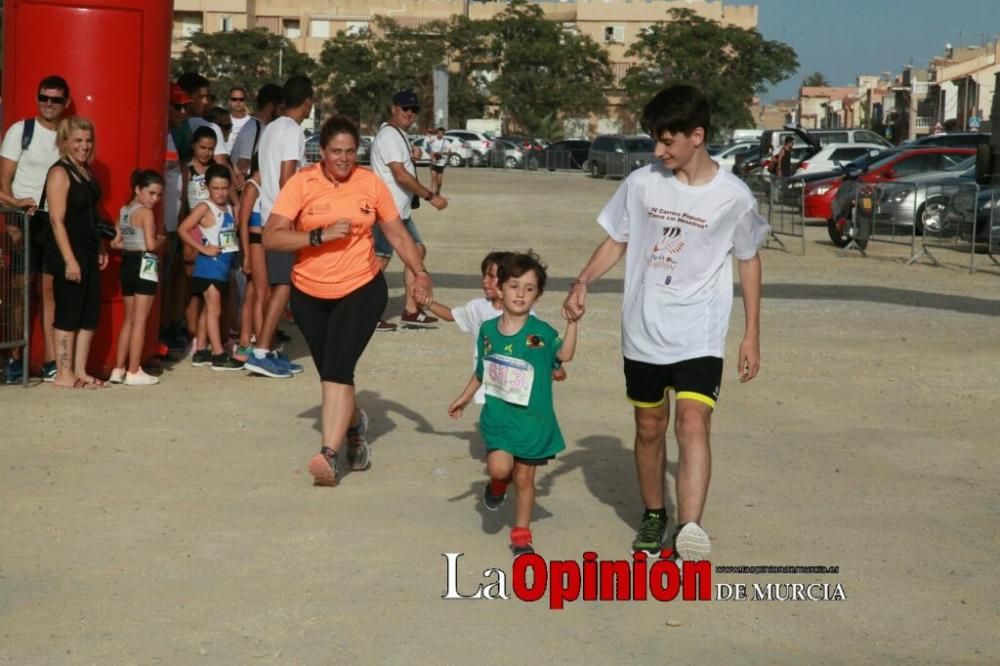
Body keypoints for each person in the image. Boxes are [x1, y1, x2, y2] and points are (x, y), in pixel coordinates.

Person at [561, 85, 768, 562]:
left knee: (693, 422)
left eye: (667, 141)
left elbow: (749, 260)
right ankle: (654, 512)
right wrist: (583, 281)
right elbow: (617, 239)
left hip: (700, 332)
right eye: (655, 140)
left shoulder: (733, 197)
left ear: (697, 136)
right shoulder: (642, 184)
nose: (658, 151)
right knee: (650, 425)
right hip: (643, 329)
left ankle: (689, 527)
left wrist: (751, 334)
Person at [263, 115, 433, 486]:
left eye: (350, 151)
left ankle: (328, 455)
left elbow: (398, 234)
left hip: (360, 289)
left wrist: (419, 272)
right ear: (321, 152)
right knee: (331, 373)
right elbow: (272, 238)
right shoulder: (301, 183)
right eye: (336, 151)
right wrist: (316, 237)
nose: (343, 158)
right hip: (309, 293)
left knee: (338, 369)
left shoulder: (369, 183)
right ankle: (355, 426)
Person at [448, 251, 578, 556]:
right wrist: (465, 396)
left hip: (533, 421)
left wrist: (573, 324)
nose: (521, 294)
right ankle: (496, 486)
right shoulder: (488, 331)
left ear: (538, 295)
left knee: (524, 477)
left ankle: (522, 533)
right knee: (499, 468)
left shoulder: (541, 334)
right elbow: (483, 370)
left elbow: (565, 355)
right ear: (499, 288)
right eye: (514, 286)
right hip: (499, 418)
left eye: (529, 288)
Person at [424, 250, 567, 405]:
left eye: (491, 276)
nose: (485, 281)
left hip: (516, 389)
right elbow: (451, 315)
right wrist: (427, 303)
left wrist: (555, 365)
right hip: (488, 385)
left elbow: (539, 343)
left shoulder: (525, 314)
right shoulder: (477, 308)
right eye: (484, 276)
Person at [0, 75, 71, 383]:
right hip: (22, 218)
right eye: (44, 98)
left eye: (55, 99)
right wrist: (13, 208)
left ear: (65, 103)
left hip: (53, 220)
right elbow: (2, 182)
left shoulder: (69, 135)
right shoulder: (21, 131)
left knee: (49, 290)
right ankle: (14, 359)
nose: (49, 104)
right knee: (18, 291)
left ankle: (50, 361)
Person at [245, 75, 313, 380]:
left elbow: (264, 173)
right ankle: (261, 352)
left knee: (271, 288)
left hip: (265, 213)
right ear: (308, 102)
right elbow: (288, 178)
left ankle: (268, 349)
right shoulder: (293, 131)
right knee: (283, 286)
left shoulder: (271, 127)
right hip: (282, 217)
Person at [369, 89, 448, 332]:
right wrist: (430, 195)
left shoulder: (398, 135)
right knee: (377, 263)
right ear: (393, 108)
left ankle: (411, 310)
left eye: (414, 110)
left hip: (400, 213)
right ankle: (365, 313)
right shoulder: (390, 135)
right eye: (405, 108)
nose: (410, 114)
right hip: (387, 212)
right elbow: (400, 175)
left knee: (418, 251)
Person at [44, 116, 110, 389]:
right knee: (69, 310)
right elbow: (56, 220)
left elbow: (92, 213)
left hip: (88, 248)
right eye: (78, 140)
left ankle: (80, 370)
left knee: (88, 311)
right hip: (67, 251)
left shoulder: (86, 170)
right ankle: (63, 372)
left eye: (87, 140)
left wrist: (102, 245)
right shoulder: (60, 172)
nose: (84, 146)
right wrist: (70, 259)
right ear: (65, 142)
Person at [177, 164, 244, 371]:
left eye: (224, 188)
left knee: (208, 309)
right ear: (207, 187)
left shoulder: (230, 208)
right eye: (216, 188)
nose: (220, 193)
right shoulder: (204, 207)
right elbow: (183, 229)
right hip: (209, 266)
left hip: (223, 266)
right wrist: (201, 248)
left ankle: (201, 350)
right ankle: (218, 354)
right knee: (215, 310)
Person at [109, 170, 165, 386]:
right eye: (151, 193)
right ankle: (134, 370)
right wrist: (161, 240)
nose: (155, 199)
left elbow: (115, 242)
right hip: (145, 264)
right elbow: (151, 245)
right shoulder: (146, 213)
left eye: (158, 195)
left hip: (128, 263)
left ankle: (118, 368)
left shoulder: (124, 210)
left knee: (129, 320)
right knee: (140, 320)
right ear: (138, 190)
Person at [234, 157, 265, 362]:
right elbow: (243, 222)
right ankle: (257, 343)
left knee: (254, 292)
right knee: (259, 293)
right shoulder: (252, 186)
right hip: (254, 241)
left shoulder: (263, 185)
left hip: (263, 240)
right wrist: (246, 254)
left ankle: (247, 341)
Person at [230, 83, 284, 180]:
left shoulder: (257, 127)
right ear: (271, 107)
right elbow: (242, 167)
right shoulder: (253, 129)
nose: (282, 113)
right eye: (281, 109)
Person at [226, 86, 252, 153]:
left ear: (245, 101)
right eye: (234, 99)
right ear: (229, 101)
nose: (238, 102)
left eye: (241, 99)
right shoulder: (223, 121)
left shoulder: (252, 122)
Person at [427, 127, 449, 195]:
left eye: (441, 133)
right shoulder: (433, 140)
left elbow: (449, 152)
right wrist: (431, 157)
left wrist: (442, 153)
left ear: (443, 134)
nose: (439, 135)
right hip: (434, 162)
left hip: (441, 163)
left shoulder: (446, 142)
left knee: (439, 181)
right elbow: (429, 149)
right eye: (438, 133)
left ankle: (438, 191)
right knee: (433, 179)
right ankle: (433, 193)